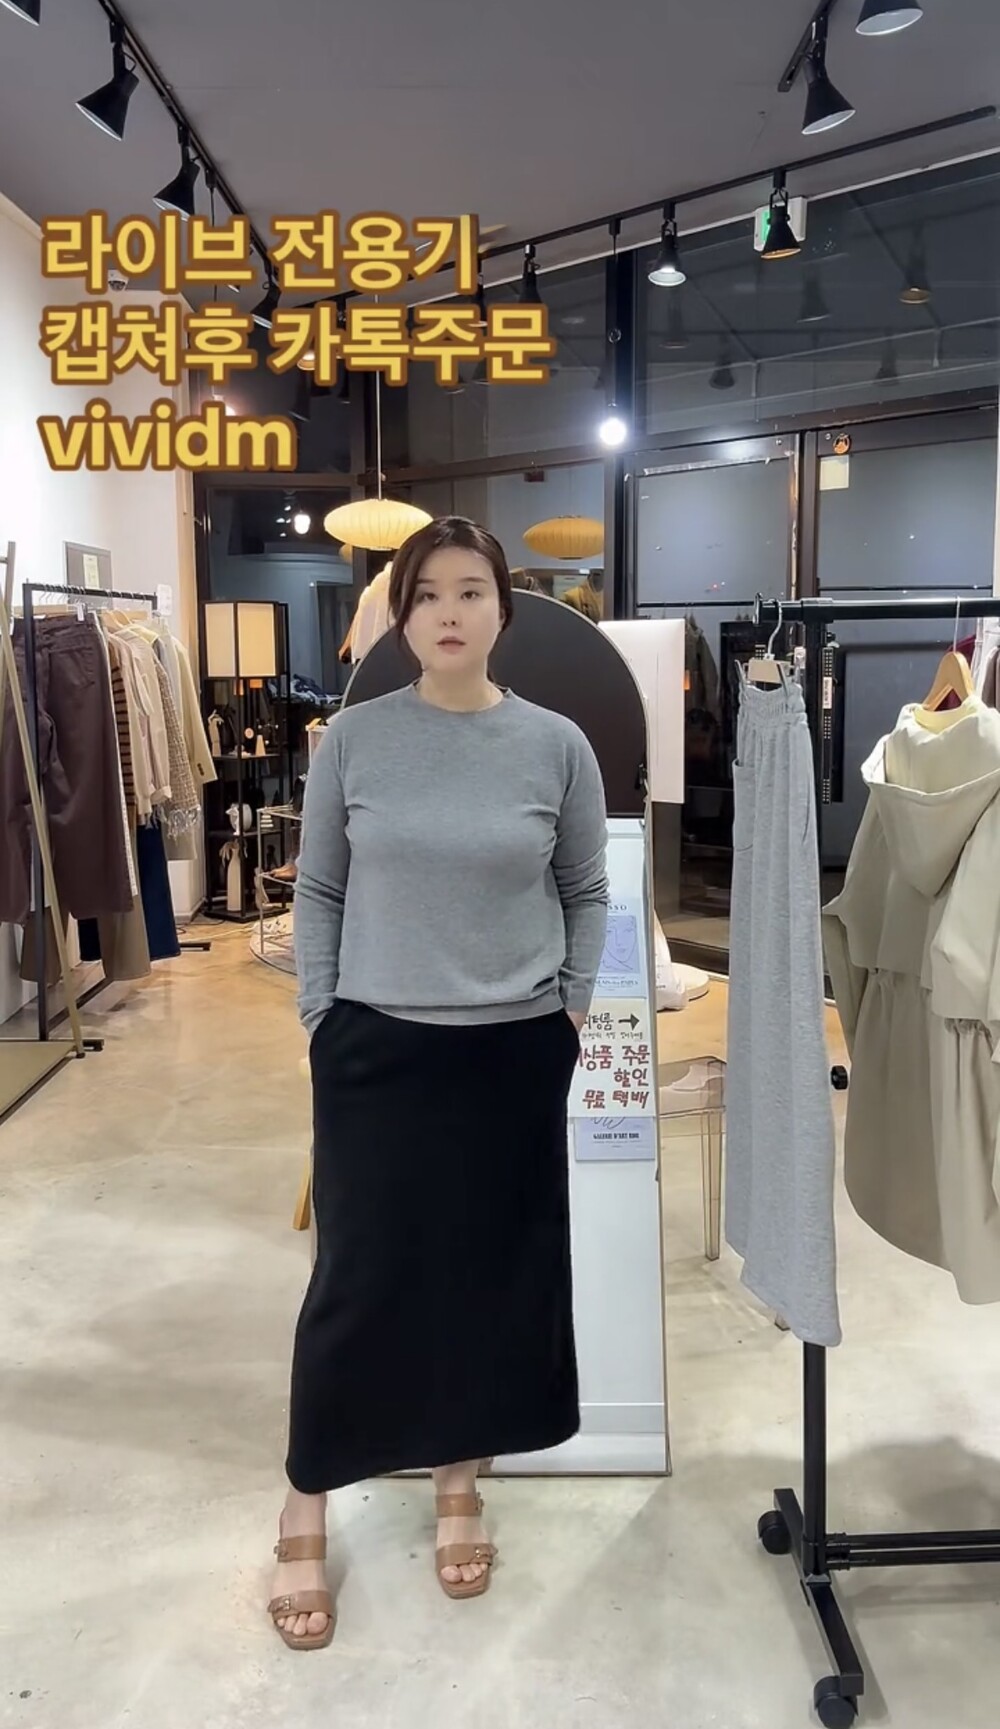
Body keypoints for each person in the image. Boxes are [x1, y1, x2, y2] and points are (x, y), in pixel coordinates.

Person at [267, 516, 610, 1650]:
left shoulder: (555, 744)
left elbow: (585, 888)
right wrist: (322, 1015)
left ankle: (459, 1479)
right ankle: (305, 1498)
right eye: (426, 595)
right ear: (400, 616)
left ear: (503, 608)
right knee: (358, 1278)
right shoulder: (354, 742)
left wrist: (567, 1008)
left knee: (486, 1275)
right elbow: (320, 890)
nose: (449, 613)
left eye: (470, 591)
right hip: (376, 1046)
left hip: (512, 1051)